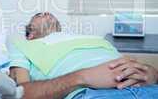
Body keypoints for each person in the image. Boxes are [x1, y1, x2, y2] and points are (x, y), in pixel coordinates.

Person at [9, 12, 158, 99]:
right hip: (92, 94)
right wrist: (82, 77)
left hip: (149, 88)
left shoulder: (95, 39)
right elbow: (22, 93)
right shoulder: (23, 44)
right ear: (30, 34)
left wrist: (151, 73)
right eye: (39, 15)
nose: (46, 13)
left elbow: (130, 65)